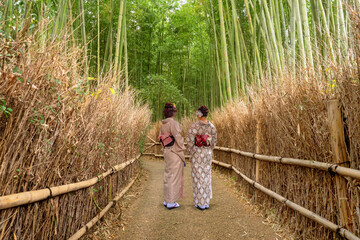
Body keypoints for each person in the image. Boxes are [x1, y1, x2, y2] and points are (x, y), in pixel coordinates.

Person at [186, 106, 217, 210]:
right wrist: (209, 149)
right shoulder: (212, 127)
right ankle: (206, 201)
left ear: (199, 114)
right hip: (207, 153)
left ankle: (200, 202)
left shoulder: (194, 126)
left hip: (197, 153)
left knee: (198, 176)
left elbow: (189, 140)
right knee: (206, 176)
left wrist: (192, 151)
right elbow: (214, 141)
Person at [158, 103, 186, 209]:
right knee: (174, 176)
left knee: (168, 175)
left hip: (167, 151)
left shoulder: (163, 124)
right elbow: (178, 137)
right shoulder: (173, 123)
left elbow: (161, 138)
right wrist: (182, 148)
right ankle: (171, 201)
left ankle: (167, 199)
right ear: (174, 113)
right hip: (174, 151)